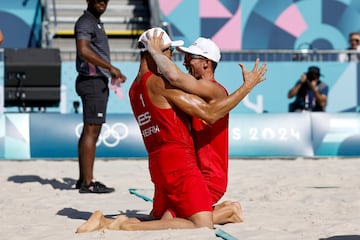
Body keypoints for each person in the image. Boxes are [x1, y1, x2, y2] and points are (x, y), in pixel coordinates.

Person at [76, 28, 267, 233]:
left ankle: (104, 222)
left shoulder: (135, 88)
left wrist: (156, 53)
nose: (179, 61)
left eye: (188, 57)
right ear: (154, 51)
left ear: (206, 62)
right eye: (172, 53)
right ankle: (120, 224)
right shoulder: (161, 82)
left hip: (162, 162)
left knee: (162, 217)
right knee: (197, 222)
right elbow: (207, 111)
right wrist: (246, 87)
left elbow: (179, 83)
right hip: (183, 163)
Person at [74, 0, 126, 193]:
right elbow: (83, 49)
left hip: (95, 80)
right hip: (92, 81)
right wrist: (109, 67)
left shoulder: (94, 22)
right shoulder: (86, 22)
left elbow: (91, 50)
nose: (102, 2)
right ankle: (88, 182)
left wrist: (110, 71)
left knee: (90, 130)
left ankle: (83, 179)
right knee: (92, 130)